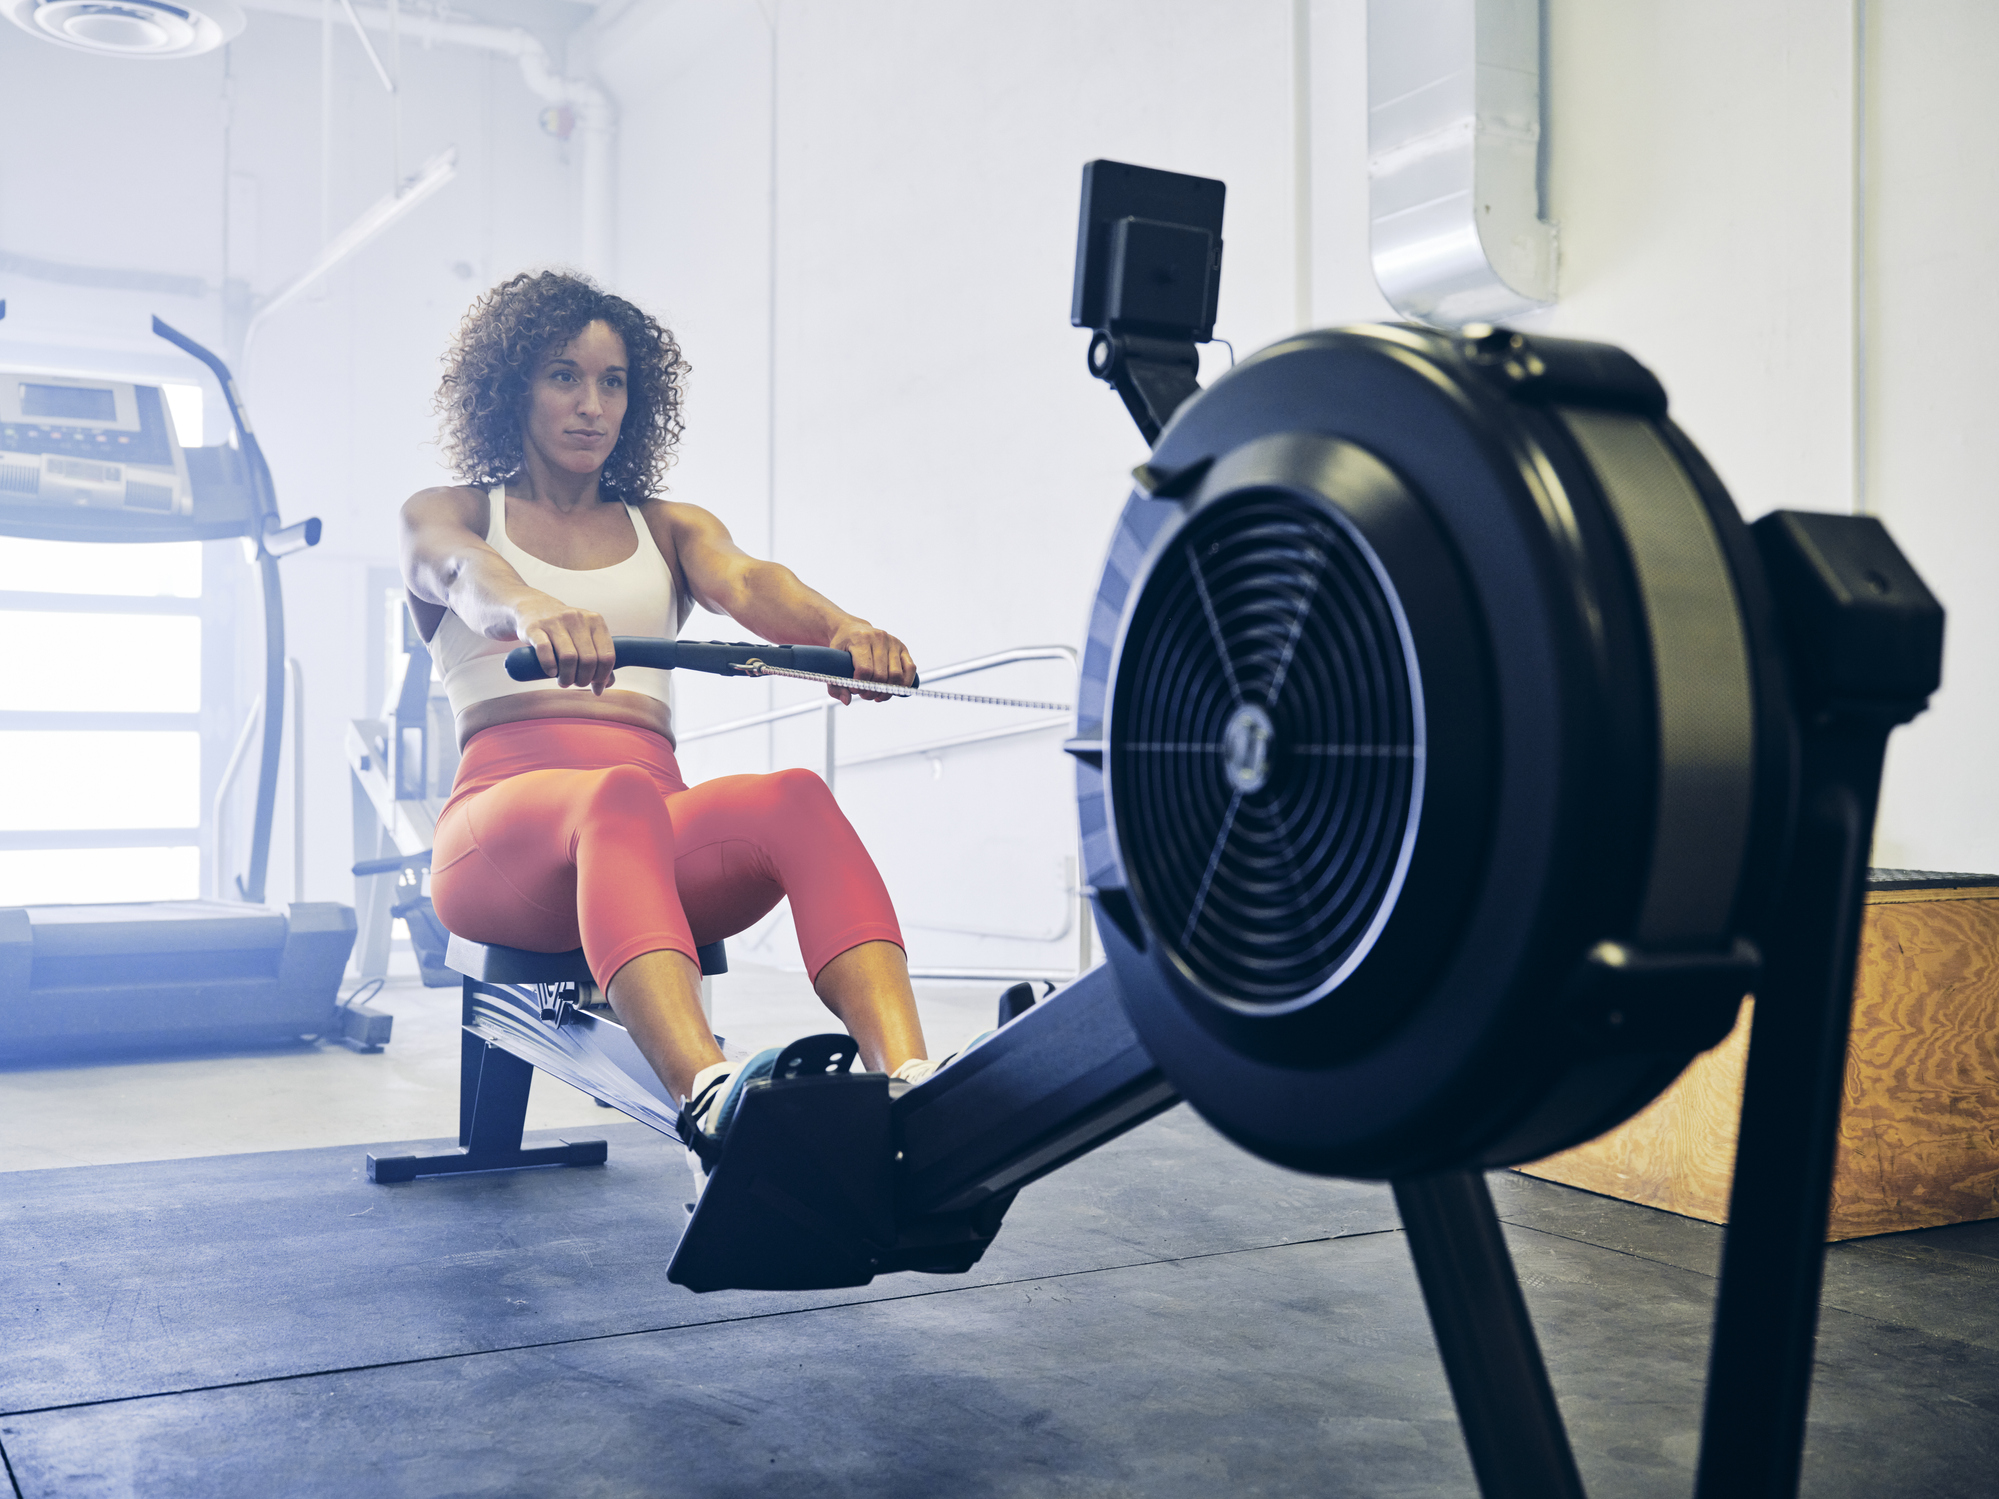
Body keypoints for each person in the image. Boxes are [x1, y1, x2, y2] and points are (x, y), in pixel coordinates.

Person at [402, 270, 949, 1189]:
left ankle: (912, 1083)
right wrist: (534, 607)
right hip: (498, 840)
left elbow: (747, 581)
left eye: (612, 382)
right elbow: (458, 574)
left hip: (644, 833)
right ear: (510, 388)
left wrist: (840, 630)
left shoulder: (667, 527)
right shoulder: (455, 512)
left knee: (793, 797)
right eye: (562, 376)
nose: (591, 405)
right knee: (613, 795)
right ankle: (707, 1094)